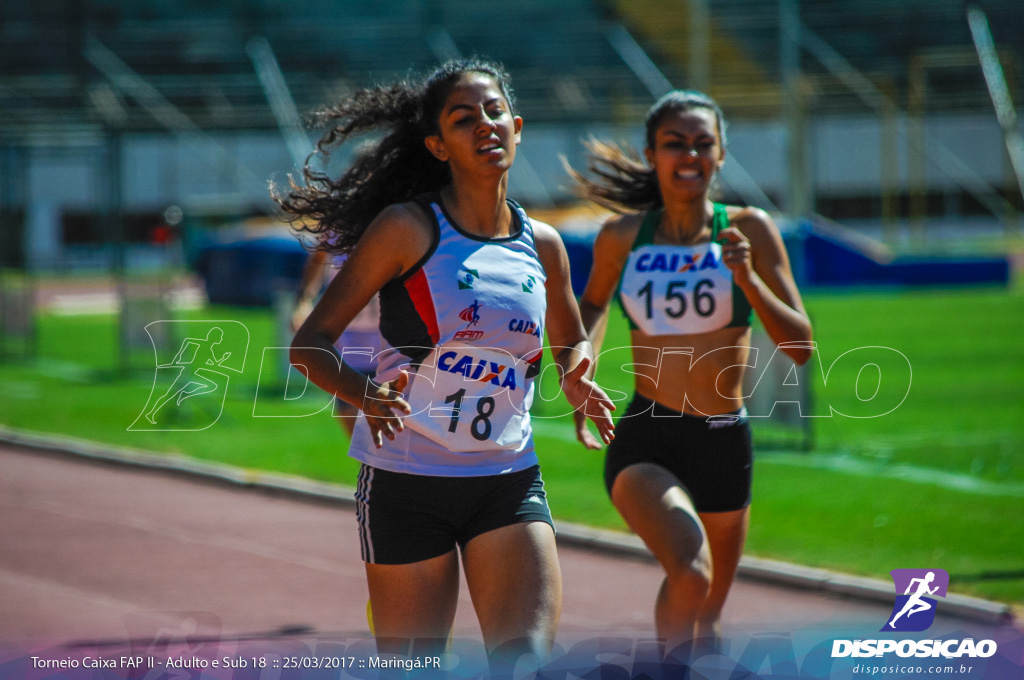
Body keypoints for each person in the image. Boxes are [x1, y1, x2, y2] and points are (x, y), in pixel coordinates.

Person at [276, 59, 616, 664]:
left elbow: (570, 340)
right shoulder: (407, 229)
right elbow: (310, 344)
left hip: (508, 480)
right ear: (438, 145)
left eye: (493, 113)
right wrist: (365, 395)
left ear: (517, 126)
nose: (484, 126)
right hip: (407, 483)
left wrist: (579, 370)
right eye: (464, 119)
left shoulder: (545, 245)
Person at [568, 90, 813, 653]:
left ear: (721, 155)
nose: (690, 155)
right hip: (648, 437)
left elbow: (799, 348)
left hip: (725, 440)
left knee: (709, 619)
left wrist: (748, 278)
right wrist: (579, 374)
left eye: (704, 144)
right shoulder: (623, 238)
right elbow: (594, 307)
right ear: (653, 154)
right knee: (691, 573)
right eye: (675, 144)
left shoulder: (750, 231)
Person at [291, 248, 380, 437]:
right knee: (360, 440)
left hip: (388, 343)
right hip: (347, 345)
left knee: (389, 438)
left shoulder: (397, 222)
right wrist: (304, 301)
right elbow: (318, 257)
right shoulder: (336, 227)